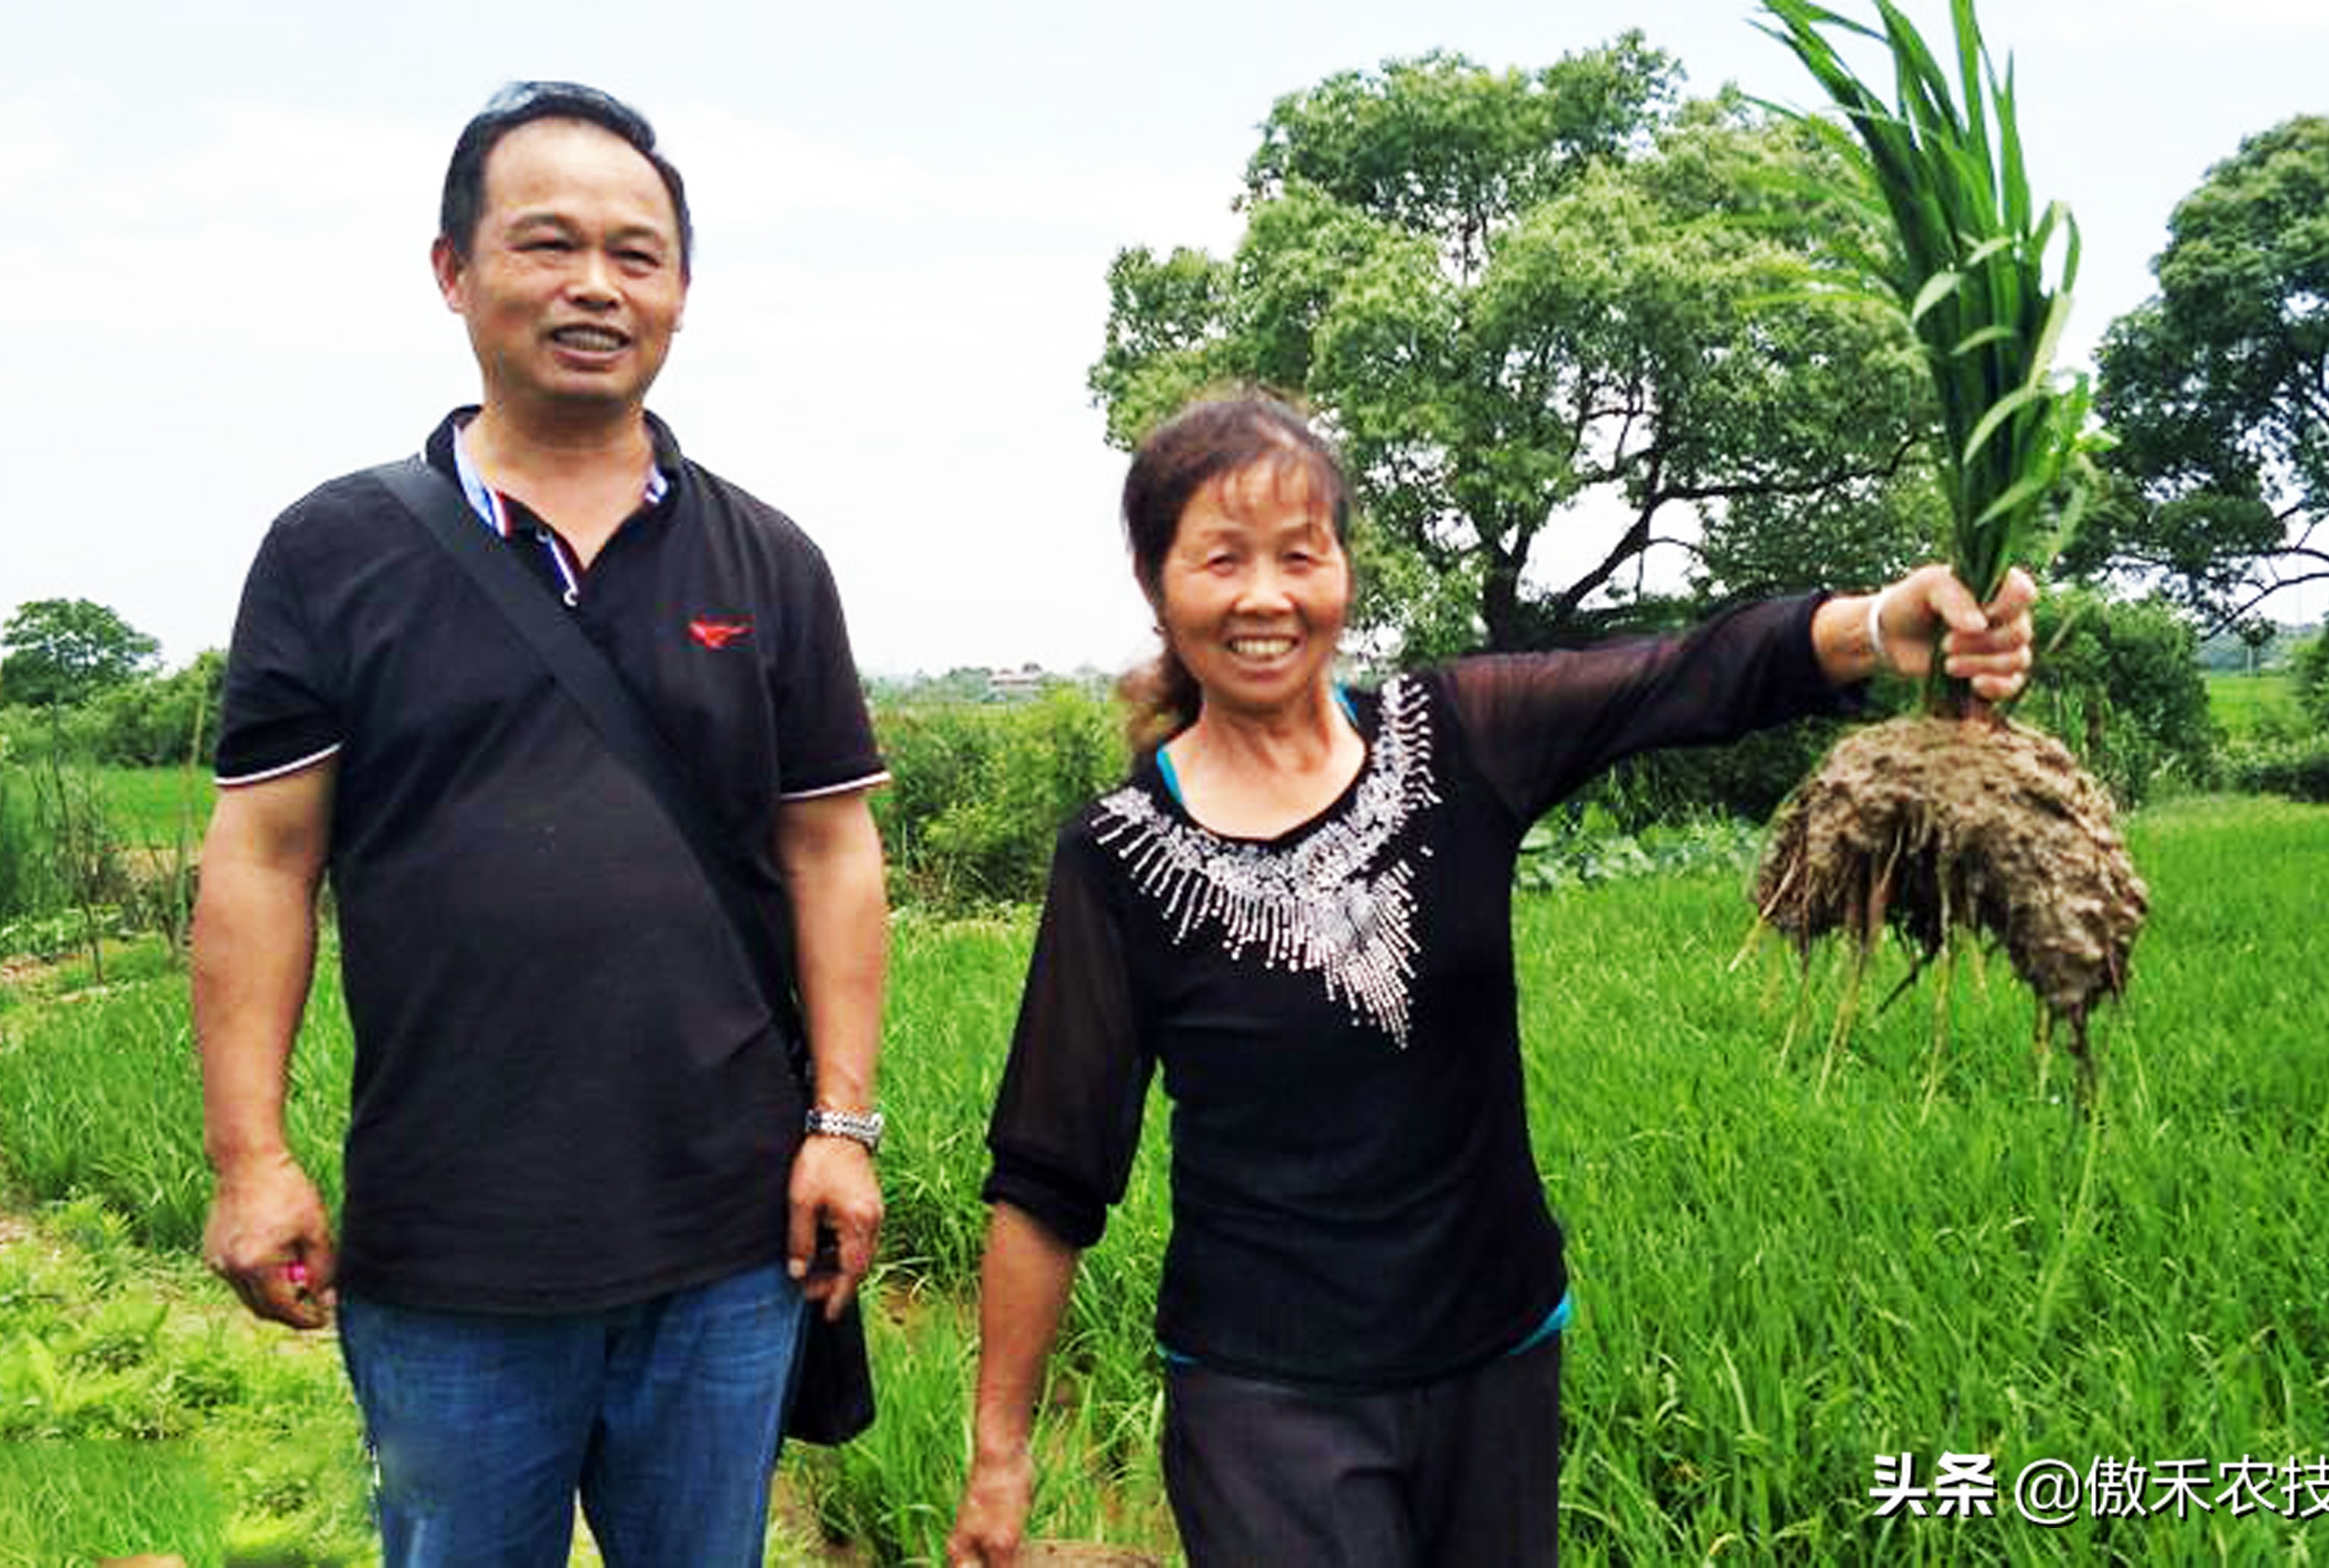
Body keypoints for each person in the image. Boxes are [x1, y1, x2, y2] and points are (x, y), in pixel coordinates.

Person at [944, 394, 2036, 1567]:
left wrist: (1883, 624)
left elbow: (1681, 677)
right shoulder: (1119, 856)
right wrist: (1001, 1450)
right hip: (1269, 1396)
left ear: (1344, 573)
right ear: (1162, 589)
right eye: (1222, 559)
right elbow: (1050, 1174)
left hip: (1497, 1354)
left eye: (1301, 555)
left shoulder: (1454, 739)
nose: (1267, 597)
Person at [193, 81, 890, 1567]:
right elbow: (262, 856)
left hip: (724, 1241)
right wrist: (249, 1157)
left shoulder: (768, 559)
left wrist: (841, 1123)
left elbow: (829, 849)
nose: (594, 286)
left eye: (636, 255)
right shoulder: (336, 550)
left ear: (682, 292)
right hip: (449, 1246)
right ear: (454, 272)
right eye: (547, 245)